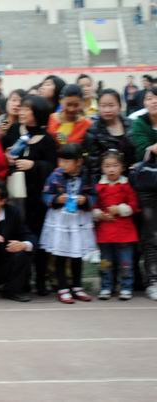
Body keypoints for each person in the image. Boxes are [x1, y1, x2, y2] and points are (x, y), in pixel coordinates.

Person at [2, 95, 56, 296]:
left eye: (27, 109)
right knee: (16, 235)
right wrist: (7, 157)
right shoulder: (14, 130)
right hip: (14, 193)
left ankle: (41, 280)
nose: (21, 112)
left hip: (36, 198)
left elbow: (53, 167)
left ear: (38, 113)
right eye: (22, 108)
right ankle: (20, 281)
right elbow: (2, 152)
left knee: (37, 237)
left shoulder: (47, 139)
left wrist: (34, 165)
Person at [39, 143, 96, 304]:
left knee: (77, 254)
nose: (62, 164)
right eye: (60, 161)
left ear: (79, 162)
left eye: (66, 161)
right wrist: (57, 199)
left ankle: (77, 286)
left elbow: (94, 194)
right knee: (61, 253)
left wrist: (86, 200)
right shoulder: (55, 175)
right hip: (60, 219)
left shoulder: (87, 175)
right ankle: (62, 287)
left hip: (79, 219)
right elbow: (45, 194)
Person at [93, 150, 139, 301]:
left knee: (126, 263)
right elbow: (93, 206)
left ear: (122, 167)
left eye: (115, 165)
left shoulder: (126, 185)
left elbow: (134, 205)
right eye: (107, 166)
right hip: (105, 232)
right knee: (105, 263)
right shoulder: (98, 187)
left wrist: (120, 209)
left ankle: (126, 287)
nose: (111, 169)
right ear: (102, 168)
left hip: (124, 232)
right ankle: (106, 287)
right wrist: (99, 214)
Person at [129, 86, 157, 301]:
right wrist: (151, 148)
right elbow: (141, 150)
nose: (154, 101)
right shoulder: (139, 124)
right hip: (148, 187)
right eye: (150, 98)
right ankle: (153, 281)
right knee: (151, 235)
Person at [83, 89, 136, 183]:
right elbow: (94, 166)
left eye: (111, 105)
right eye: (103, 106)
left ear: (120, 106)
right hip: (107, 182)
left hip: (132, 177)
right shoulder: (93, 132)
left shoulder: (132, 125)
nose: (107, 110)